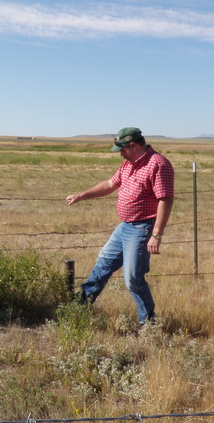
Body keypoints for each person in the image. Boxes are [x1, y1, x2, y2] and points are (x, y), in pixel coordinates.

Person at [66, 127, 174, 325]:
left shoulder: (158, 164)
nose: (121, 154)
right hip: (124, 226)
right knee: (103, 264)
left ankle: (148, 323)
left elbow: (165, 200)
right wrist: (82, 195)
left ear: (132, 145)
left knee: (133, 278)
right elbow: (109, 184)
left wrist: (156, 235)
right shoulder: (129, 164)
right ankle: (78, 307)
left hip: (142, 228)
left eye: (122, 150)